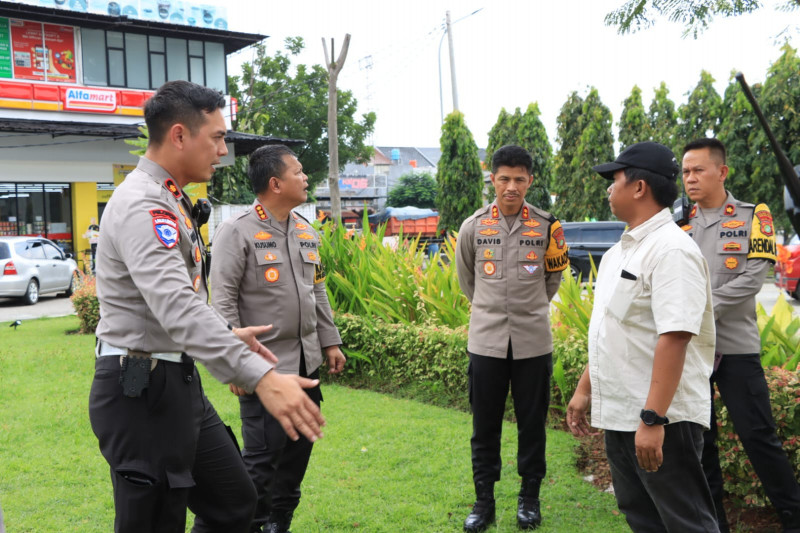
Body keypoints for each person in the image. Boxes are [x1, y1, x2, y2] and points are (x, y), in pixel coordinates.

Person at [88, 80, 325, 533]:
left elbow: (184, 299)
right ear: (179, 135)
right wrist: (261, 377)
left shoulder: (170, 199)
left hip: (178, 382)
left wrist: (228, 335)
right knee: (156, 521)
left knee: (234, 501)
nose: (223, 151)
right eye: (216, 137)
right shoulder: (143, 205)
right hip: (141, 391)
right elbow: (175, 305)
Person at [567, 141, 719, 533]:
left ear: (638, 188)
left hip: (661, 418)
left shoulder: (671, 249)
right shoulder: (622, 250)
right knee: (642, 518)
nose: (608, 188)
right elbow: (612, 327)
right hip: (622, 413)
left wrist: (653, 419)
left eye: (614, 179)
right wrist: (585, 390)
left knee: (686, 522)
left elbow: (676, 336)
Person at [210, 144, 346, 533]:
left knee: (297, 456)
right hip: (264, 370)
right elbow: (222, 303)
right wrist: (236, 365)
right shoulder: (236, 232)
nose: (305, 178)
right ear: (275, 183)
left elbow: (316, 291)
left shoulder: (306, 230)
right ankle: (252, 525)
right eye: (298, 172)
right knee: (261, 463)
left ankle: (280, 523)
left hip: (306, 366)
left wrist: (330, 342)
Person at [682, 137, 800, 533]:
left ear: (722, 171)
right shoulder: (679, 224)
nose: (690, 179)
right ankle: (716, 523)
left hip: (735, 347)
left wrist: (694, 307)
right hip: (692, 351)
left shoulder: (755, 217)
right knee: (702, 442)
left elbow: (752, 280)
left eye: (698, 170)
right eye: (685, 172)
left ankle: (793, 516)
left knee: (759, 437)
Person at [455, 145, 569, 531]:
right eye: (504, 178)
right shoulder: (472, 226)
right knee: (484, 426)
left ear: (530, 181)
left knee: (532, 424)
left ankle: (529, 499)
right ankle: (483, 501)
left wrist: (528, 308)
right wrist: (492, 310)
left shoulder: (548, 225)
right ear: (493, 179)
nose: (511, 186)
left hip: (533, 342)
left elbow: (552, 279)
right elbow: (467, 281)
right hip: (486, 342)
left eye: (520, 179)